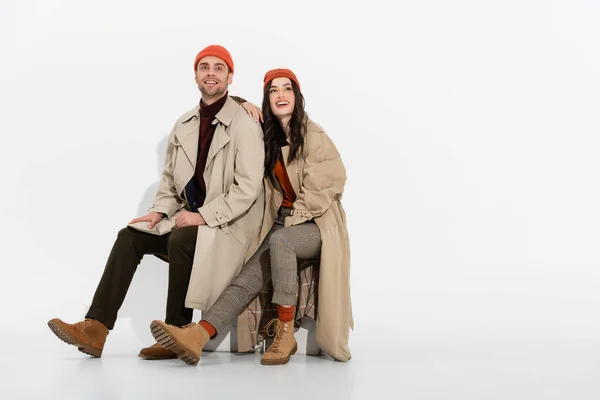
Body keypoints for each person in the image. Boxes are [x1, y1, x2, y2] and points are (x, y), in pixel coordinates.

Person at [47, 45, 266, 360]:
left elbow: (248, 188)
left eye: (219, 68)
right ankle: (95, 328)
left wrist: (203, 216)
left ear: (230, 77)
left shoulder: (245, 124)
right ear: (195, 75)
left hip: (226, 225)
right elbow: (168, 179)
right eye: (204, 67)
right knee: (129, 237)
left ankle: (176, 332)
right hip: (187, 218)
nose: (211, 73)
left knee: (181, 239)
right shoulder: (185, 123)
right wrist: (158, 211)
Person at [150, 68, 352, 366]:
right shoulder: (268, 137)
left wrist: (297, 216)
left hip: (317, 224)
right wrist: (243, 102)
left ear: (297, 96)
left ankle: (286, 333)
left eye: (287, 89)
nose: (280, 95)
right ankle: (198, 335)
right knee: (248, 276)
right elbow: (221, 103)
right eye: (273, 91)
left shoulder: (313, 134)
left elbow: (332, 180)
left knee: (281, 241)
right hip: (282, 222)